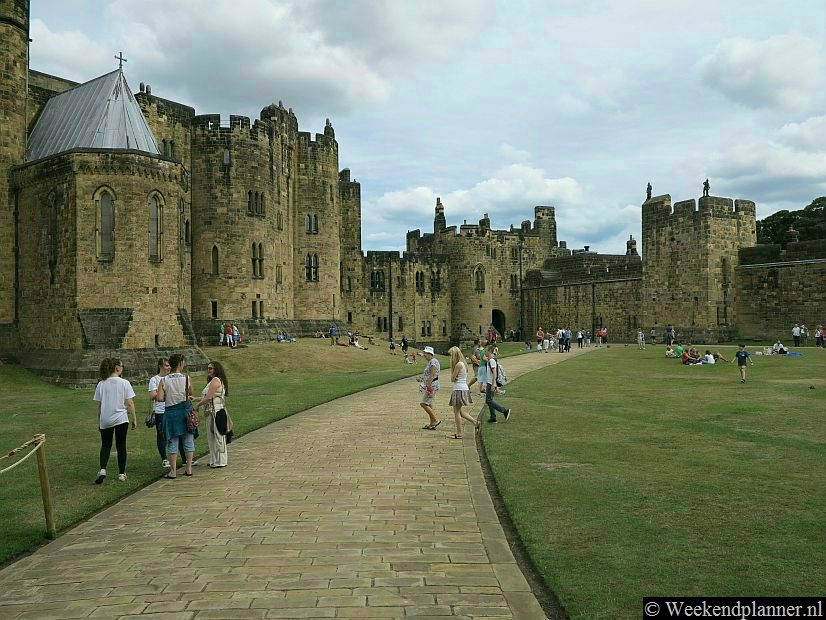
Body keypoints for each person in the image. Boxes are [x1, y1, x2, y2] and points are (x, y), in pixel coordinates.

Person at [93, 358, 136, 484]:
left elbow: (100, 405)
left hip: (105, 418)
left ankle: (102, 469)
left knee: (106, 445)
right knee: (121, 445)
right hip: (121, 418)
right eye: (122, 366)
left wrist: (99, 421)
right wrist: (134, 418)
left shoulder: (101, 384)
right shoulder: (124, 383)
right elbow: (130, 402)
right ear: (117, 368)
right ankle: (121, 473)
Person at [156, 353, 195, 479]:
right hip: (184, 412)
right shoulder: (187, 379)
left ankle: (173, 471)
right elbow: (190, 393)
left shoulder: (164, 380)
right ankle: (188, 468)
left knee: (172, 441)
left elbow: (160, 398)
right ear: (180, 364)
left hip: (171, 413)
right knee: (188, 440)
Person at [194, 361, 230, 468]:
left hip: (216, 412)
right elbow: (210, 396)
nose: (208, 370)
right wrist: (196, 398)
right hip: (212, 411)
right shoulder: (214, 381)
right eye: (208, 368)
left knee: (217, 436)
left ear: (216, 370)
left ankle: (220, 461)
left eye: (211, 368)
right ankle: (215, 459)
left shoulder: (215, 380)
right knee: (213, 437)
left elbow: (209, 397)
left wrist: (197, 405)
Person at [448, 346, 478, 439]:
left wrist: (453, 373)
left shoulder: (458, 365)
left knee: (456, 412)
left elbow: (452, 379)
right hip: (463, 388)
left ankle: (459, 433)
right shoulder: (463, 363)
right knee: (459, 411)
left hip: (459, 389)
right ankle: (475, 422)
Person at [148, 357, 172, 468]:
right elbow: (153, 396)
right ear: (160, 366)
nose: (169, 368)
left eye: (169, 365)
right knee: (161, 435)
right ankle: (164, 458)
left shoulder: (172, 378)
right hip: (160, 410)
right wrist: (163, 394)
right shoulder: (154, 379)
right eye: (166, 365)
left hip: (172, 408)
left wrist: (162, 393)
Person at [484, 345, 511, 424]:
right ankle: (493, 417)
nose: (485, 352)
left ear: (489, 351)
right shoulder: (491, 360)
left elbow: (494, 372)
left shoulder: (492, 360)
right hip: (490, 382)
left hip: (491, 383)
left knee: (488, 400)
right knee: (490, 400)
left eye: (486, 350)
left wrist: (494, 384)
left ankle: (504, 410)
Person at [419, 346, 441, 430]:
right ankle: (432, 423)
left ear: (430, 354)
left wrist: (428, 386)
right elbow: (428, 375)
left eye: (426, 353)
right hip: (431, 384)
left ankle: (435, 420)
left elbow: (432, 375)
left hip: (432, 385)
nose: (424, 355)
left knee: (424, 403)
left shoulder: (433, 362)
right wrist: (421, 379)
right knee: (429, 404)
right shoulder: (431, 361)